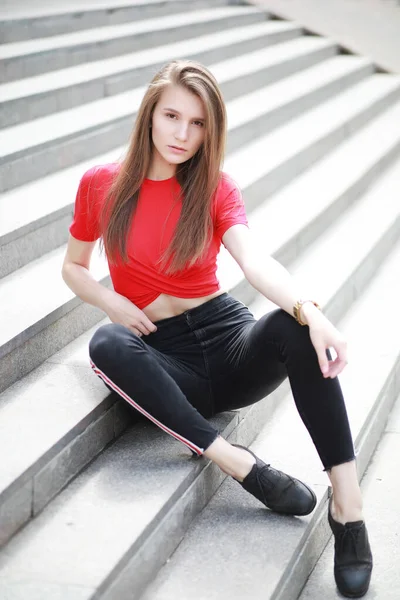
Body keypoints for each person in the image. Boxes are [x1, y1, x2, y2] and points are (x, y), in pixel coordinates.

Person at [62, 60, 372, 598]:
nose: (183, 134)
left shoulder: (213, 187)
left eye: (198, 123)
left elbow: (254, 261)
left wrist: (311, 311)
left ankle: (348, 510)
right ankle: (238, 464)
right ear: (149, 116)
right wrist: (110, 299)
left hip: (226, 340)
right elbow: (73, 266)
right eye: (172, 116)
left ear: (212, 129)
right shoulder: (102, 185)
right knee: (106, 343)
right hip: (164, 355)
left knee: (293, 328)